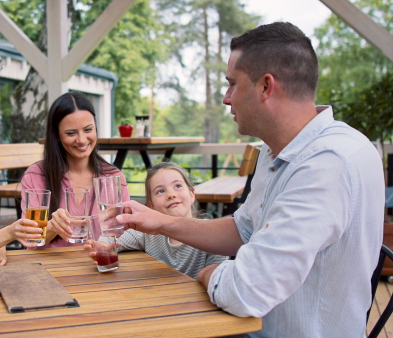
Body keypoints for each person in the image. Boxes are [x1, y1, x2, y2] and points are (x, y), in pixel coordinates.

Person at [115, 22, 385, 337]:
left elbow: (247, 290)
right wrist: (160, 223)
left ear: (266, 87)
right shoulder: (279, 152)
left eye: (232, 84)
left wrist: (210, 273)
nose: (227, 98)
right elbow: (243, 229)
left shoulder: (326, 164)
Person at [21, 91, 130, 247]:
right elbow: (30, 241)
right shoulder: (36, 176)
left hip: (98, 266)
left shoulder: (113, 177)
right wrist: (53, 227)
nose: (81, 140)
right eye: (71, 133)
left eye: (88, 130)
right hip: (51, 267)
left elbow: (125, 235)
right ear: (57, 135)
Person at [86, 162, 227, 279]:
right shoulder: (150, 233)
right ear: (151, 205)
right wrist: (103, 246)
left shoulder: (210, 234)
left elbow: (219, 274)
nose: (171, 194)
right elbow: (113, 236)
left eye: (177, 186)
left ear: (191, 194)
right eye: (160, 191)